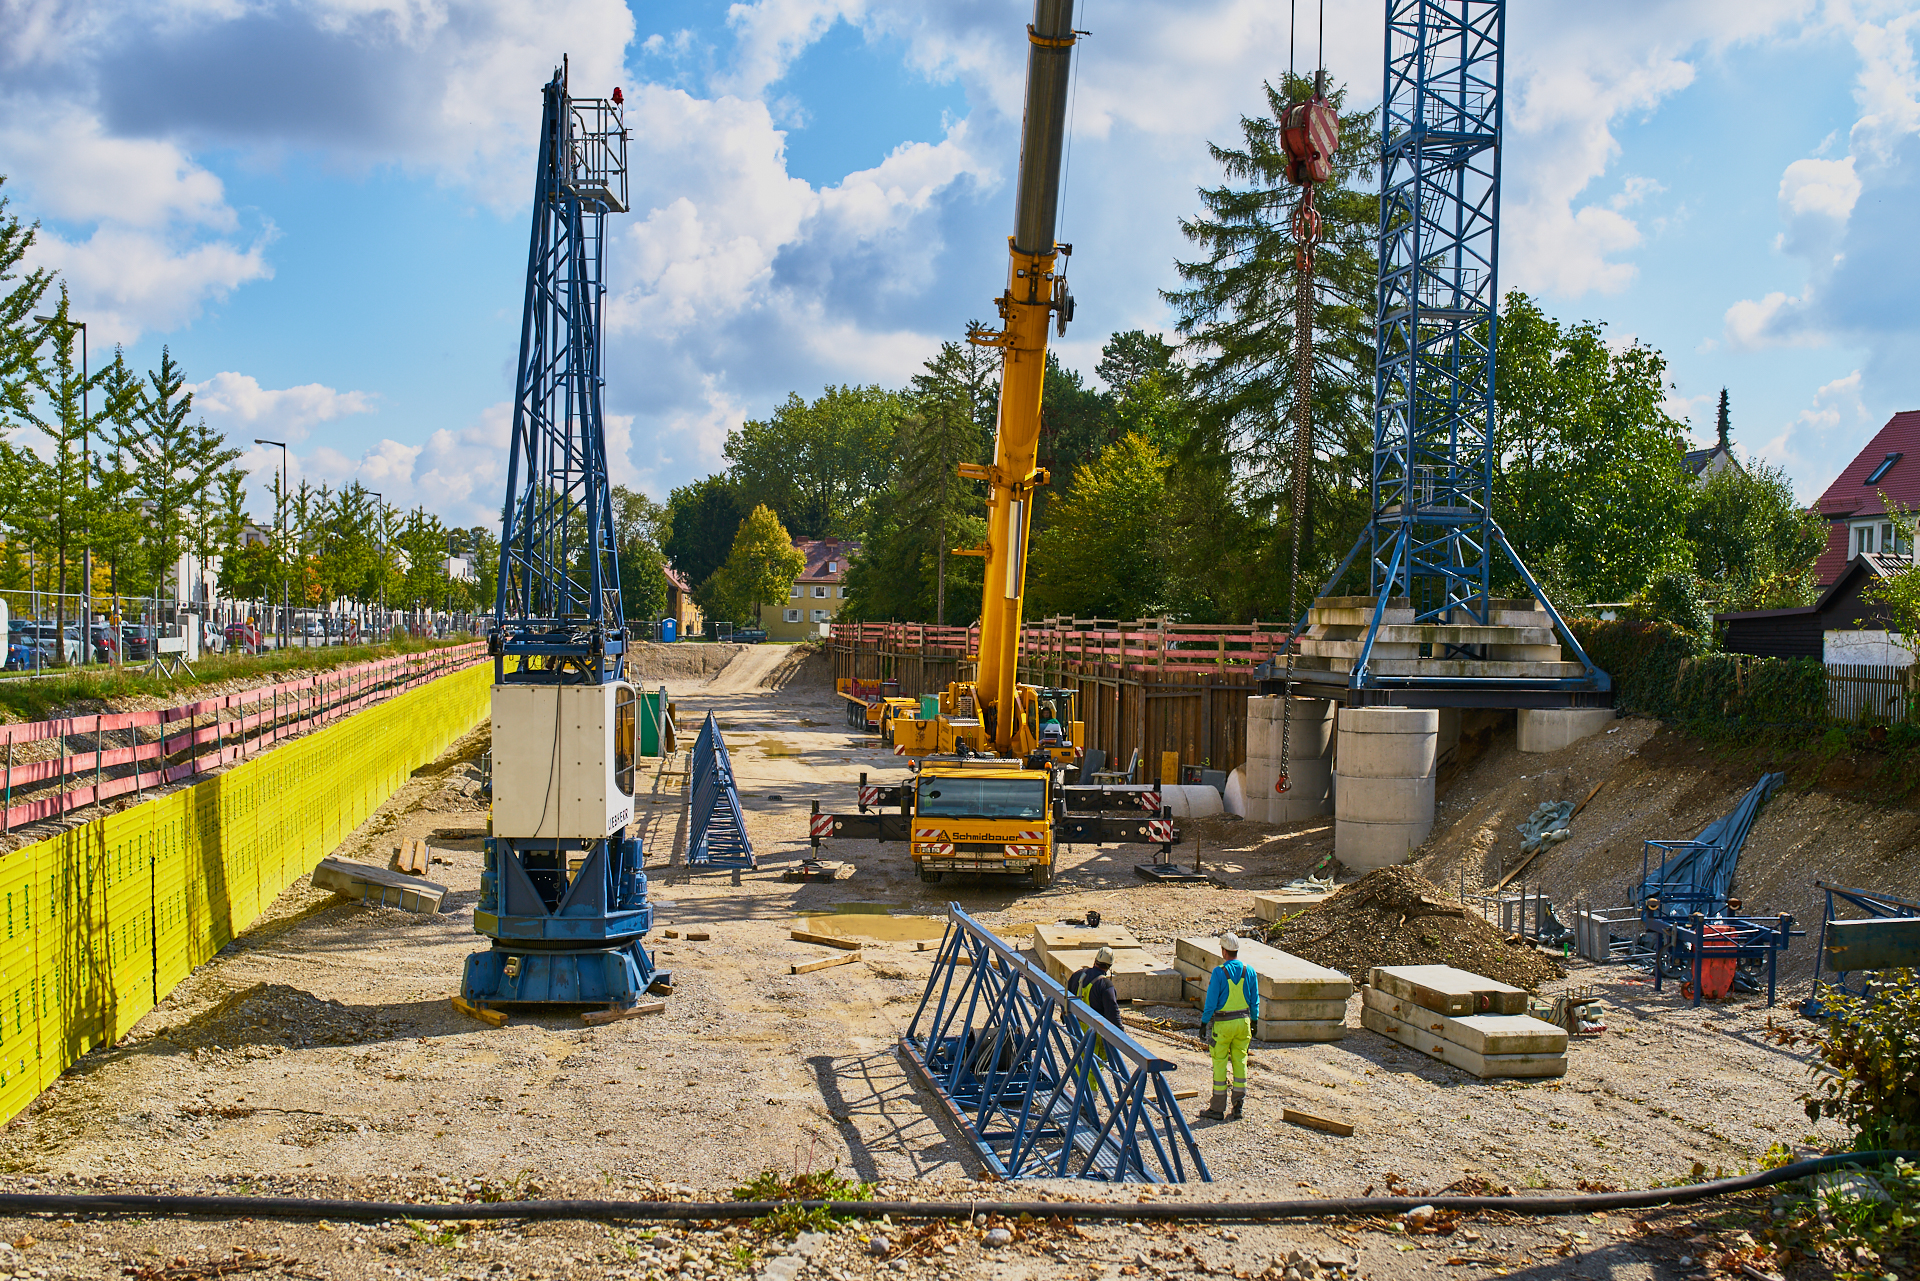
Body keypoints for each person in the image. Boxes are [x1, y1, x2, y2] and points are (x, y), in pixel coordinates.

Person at [1199, 931, 1258, 1121]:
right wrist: (1254, 1021)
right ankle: (1238, 1107)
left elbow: (1211, 1002)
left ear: (1224, 951)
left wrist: (1204, 1022)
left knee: (1220, 1063)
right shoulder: (1249, 971)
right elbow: (1254, 1000)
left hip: (1224, 1025)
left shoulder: (1219, 972)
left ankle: (1217, 1109)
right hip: (1243, 1022)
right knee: (1240, 1061)